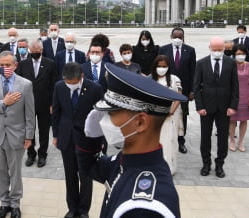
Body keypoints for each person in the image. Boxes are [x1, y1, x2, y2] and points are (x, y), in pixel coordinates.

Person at [78, 63, 185, 217]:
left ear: (140, 122)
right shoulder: (128, 160)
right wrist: (90, 138)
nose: (104, 120)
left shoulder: (142, 209)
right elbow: (89, 167)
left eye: (112, 113)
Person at [0, 51, 35, 218]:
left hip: (17, 134)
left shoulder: (25, 84)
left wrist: (29, 136)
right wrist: (3, 103)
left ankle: (15, 203)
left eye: (8, 65)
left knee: (15, 172)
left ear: (15, 65)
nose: (5, 68)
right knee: (0, 171)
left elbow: (30, 112)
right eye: (2, 65)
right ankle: (4, 202)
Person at [52, 62, 104, 218]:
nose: (70, 86)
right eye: (68, 82)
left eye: (73, 83)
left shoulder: (95, 88)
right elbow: (56, 111)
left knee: (85, 175)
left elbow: (100, 116)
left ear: (81, 76)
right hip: (66, 137)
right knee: (70, 175)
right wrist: (55, 135)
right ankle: (72, 208)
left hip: (87, 139)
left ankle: (83, 210)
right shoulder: (59, 86)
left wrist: (100, 141)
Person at [194, 37, 239, 178]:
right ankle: (206, 164)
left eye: (220, 50)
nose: (217, 52)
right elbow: (196, 87)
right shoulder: (201, 63)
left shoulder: (231, 63)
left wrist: (233, 106)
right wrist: (199, 106)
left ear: (224, 49)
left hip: (225, 108)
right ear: (209, 48)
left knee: (222, 138)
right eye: (215, 50)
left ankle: (220, 164)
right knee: (205, 137)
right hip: (206, 107)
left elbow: (235, 86)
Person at [16, 40, 57, 168]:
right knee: (29, 130)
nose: (34, 53)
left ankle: (43, 154)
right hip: (27, 104)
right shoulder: (23, 64)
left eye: (37, 52)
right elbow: (19, 84)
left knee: (44, 131)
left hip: (45, 104)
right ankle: (31, 153)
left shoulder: (50, 64)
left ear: (41, 51)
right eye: (32, 52)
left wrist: (52, 104)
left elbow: (54, 85)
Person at [159, 27, 196, 154]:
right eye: (175, 36)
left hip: (184, 90)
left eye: (180, 37)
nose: (177, 39)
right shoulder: (163, 49)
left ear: (183, 37)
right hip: (166, 88)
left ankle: (181, 140)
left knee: (182, 115)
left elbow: (193, 71)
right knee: (166, 112)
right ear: (171, 36)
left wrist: (192, 90)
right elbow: (159, 68)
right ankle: (165, 138)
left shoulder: (190, 50)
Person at [150, 55, 183, 175]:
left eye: (164, 66)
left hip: (169, 117)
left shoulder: (175, 79)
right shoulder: (150, 79)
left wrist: (171, 111)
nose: (161, 68)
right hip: (154, 117)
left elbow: (179, 97)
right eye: (159, 66)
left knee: (169, 141)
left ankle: (169, 167)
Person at [229, 44, 249, 152]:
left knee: (244, 120)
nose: (241, 56)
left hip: (246, 98)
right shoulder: (230, 65)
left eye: (243, 54)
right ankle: (232, 141)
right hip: (232, 98)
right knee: (232, 120)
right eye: (238, 54)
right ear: (234, 54)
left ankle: (241, 141)